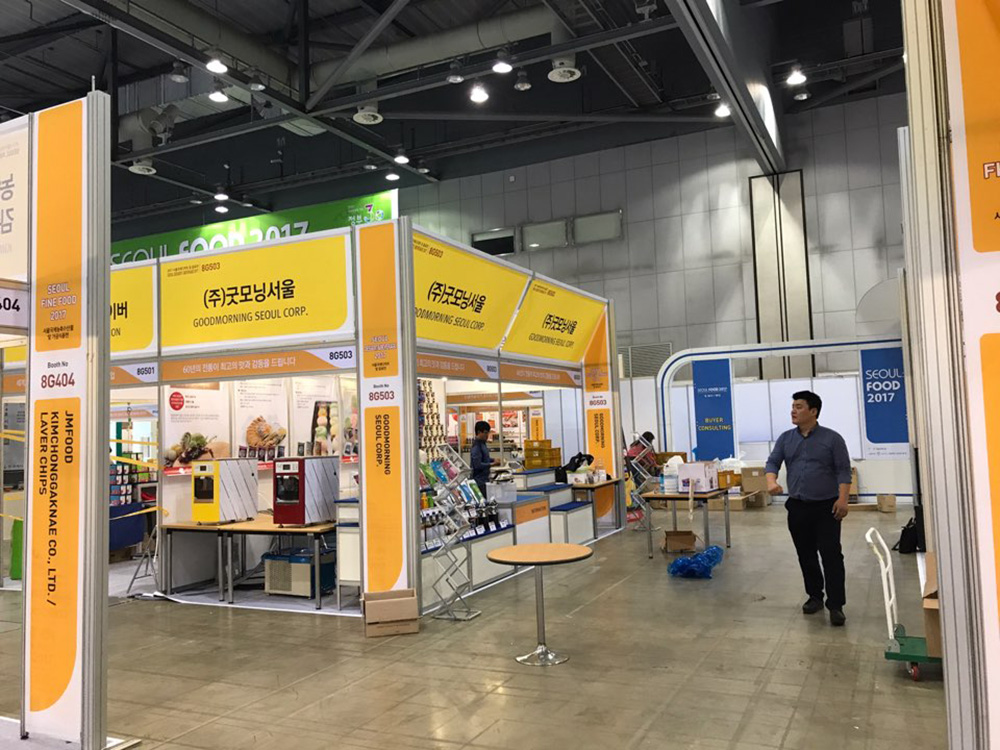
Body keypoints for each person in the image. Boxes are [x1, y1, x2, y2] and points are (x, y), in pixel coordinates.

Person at [766, 391, 851, 627]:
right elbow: (773, 462)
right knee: (806, 554)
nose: (793, 411)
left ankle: (836, 605)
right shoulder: (786, 438)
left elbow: (843, 470)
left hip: (827, 507)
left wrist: (843, 500)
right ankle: (815, 596)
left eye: (799, 407)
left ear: (813, 411)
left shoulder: (832, 439)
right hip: (797, 506)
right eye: (793, 406)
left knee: (831, 555)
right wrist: (771, 482)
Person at [470, 420, 496, 497]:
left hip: (485, 479)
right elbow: (477, 465)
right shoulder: (476, 446)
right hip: (479, 482)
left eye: (488, 433)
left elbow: (484, 458)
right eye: (485, 433)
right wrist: (492, 464)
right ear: (479, 432)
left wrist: (493, 460)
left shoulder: (483, 443)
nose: (487, 435)